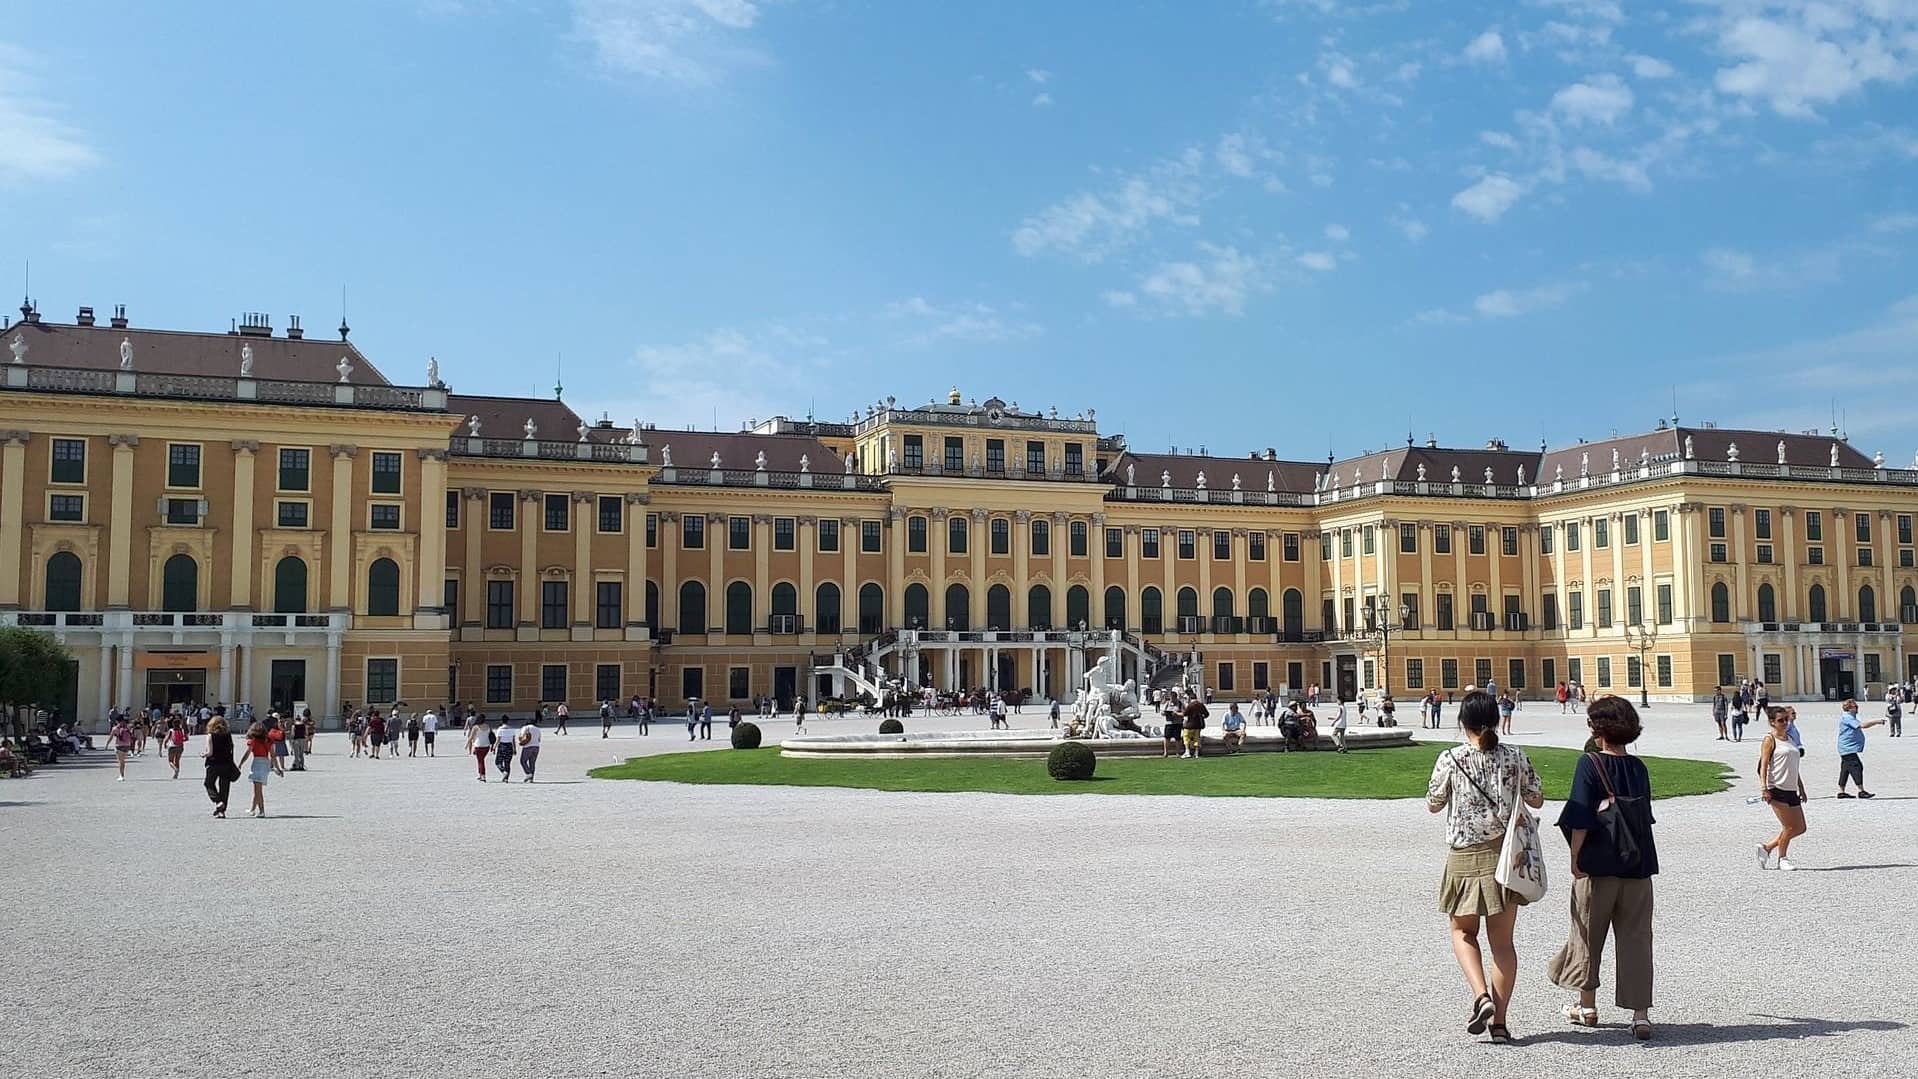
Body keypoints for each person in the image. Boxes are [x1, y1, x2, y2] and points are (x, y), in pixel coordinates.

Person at [1426, 691, 1545, 1044]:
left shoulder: (1451, 758)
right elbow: (1537, 797)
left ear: (1463, 723)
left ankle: (1481, 996)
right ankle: (1501, 1024)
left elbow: (1433, 804)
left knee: (1463, 933)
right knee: (1503, 945)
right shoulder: (1515, 756)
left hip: (1464, 856)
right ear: (1495, 720)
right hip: (1505, 857)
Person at [1548, 696, 1659, 1040]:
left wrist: (1574, 856)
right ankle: (1640, 1015)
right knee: (1637, 940)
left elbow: (1580, 815)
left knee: (1587, 937)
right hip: (1638, 865)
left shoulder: (1590, 764)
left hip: (1599, 865)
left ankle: (1588, 1005)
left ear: (1600, 730)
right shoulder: (1639, 767)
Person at [1756, 707, 1809, 871]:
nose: (1785, 723)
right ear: (1772, 722)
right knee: (1789, 827)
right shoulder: (1769, 739)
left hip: (1791, 788)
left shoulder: (1791, 738)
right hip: (1776, 787)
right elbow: (1763, 765)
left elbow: (1794, 765)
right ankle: (1782, 858)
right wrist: (1764, 788)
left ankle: (1767, 847)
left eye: (1786, 719)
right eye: (1780, 720)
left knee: (1800, 827)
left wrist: (1801, 786)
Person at [1835, 698, 1883, 799]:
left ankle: (1841, 791)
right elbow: (1862, 726)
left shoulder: (1849, 716)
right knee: (1857, 767)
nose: (1857, 708)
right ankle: (1861, 790)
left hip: (1846, 747)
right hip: (1848, 747)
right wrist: (1877, 721)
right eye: (1855, 706)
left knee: (1845, 769)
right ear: (1849, 708)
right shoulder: (1848, 717)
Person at [203, 715, 238, 818]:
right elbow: (231, 749)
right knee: (225, 788)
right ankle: (222, 811)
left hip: (213, 763)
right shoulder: (228, 735)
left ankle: (218, 801)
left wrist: (204, 754)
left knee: (209, 783)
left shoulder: (210, 735)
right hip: (226, 763)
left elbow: (210, 752)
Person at [241, 720, 273, 818]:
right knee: (258, 788)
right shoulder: (268, 740)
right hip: (266, 762)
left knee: (257, 790)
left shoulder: (253, 741)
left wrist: (241, 763)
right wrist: (276, 767)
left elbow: (247, 753)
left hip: (257, 763)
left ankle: (262, 810)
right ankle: (253, 809)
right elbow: (273, 754)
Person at [466, 716, 493, 782]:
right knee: (481, 760)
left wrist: (467, 745)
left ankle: (483, 775)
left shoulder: (476, 727)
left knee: (480, 761)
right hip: (487, 745)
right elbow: (491, 735)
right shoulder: (488, 726)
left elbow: (471, 737)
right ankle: (480, 774)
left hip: (478, 746)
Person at [517, 715, 542, 782]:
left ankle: (528, 773)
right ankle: (531, 779)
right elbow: (539, 739)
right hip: (536, 747)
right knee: (532, 763)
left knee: (523, 761)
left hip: (528, 747)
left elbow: (521, 736)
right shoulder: (538, 729)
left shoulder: (525, 727)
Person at [109, 713, 135, 781]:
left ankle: (121, 775)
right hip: (127, 745)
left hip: (119, 746)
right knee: (123, 761)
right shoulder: (128, 727)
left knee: (120, 761)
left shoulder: (115, 728)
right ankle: (122, 774)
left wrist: (107, 744)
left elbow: (111, 737)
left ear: (117, 721)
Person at [493, 715, 516, 781]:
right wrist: (514, 749)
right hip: (509, 746)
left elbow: (498, 739)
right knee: (507, 763)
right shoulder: (512, 729)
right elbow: (513, 740)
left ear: (501, 721)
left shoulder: (500, 729)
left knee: (498, 762)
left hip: (502, 746)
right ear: (508, 721)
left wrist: (494, 747)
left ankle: (504, 772)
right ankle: (506, 778)